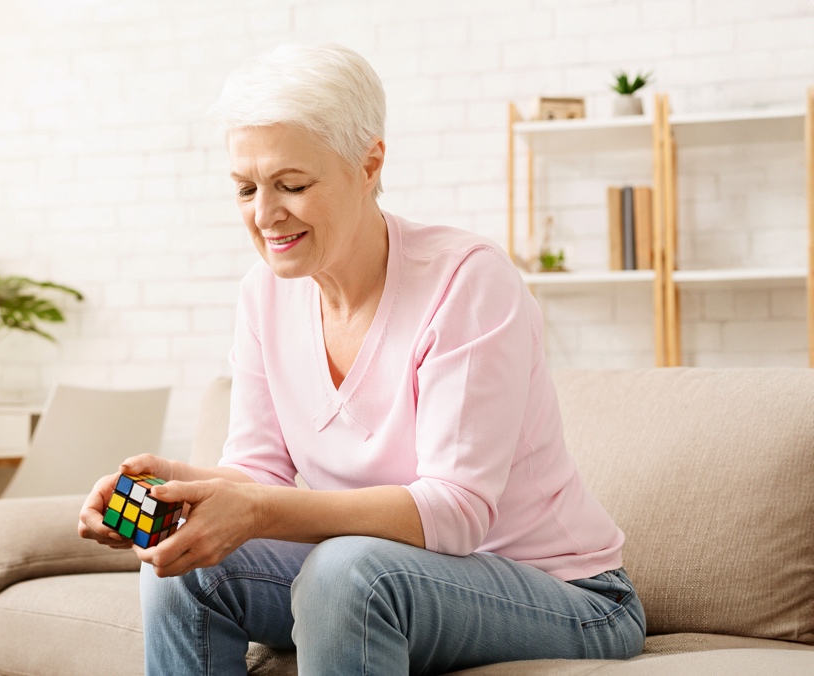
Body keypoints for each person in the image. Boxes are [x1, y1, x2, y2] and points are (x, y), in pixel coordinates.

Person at [78, 43, 646, 675]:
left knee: (347, 572)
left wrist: (260, 512)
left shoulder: (466, 281)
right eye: (246, 188)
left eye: (292, 184)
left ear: (369, 162)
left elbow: (456, 512)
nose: (265, 215)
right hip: (379, 572)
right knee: (184, 566)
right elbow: (260, 470)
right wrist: (188, 488)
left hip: (566, 597)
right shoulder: (263, 293)